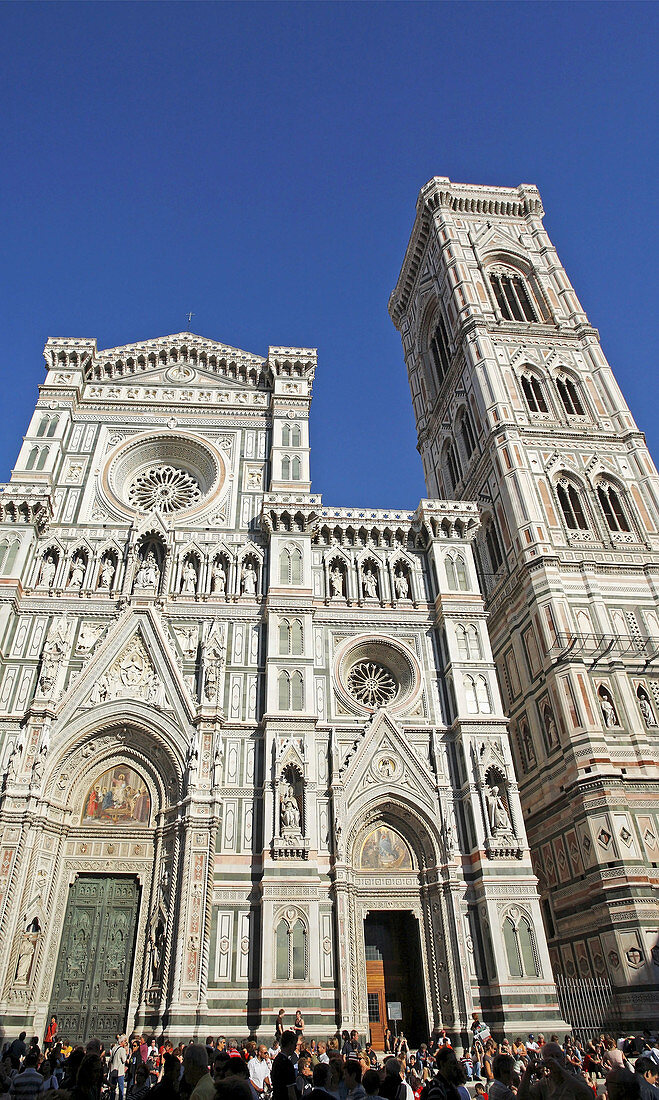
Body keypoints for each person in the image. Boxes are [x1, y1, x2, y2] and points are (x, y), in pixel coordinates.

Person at [517, 1042, 594, 1100]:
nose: (554, 1060)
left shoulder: (576, 1078)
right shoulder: (544, 1084)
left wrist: (560, 1070)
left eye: (557, 1056)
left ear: (563, 1059)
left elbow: (588, 1095)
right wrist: (527, 1073)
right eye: (550, 1057)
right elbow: (522, 1098)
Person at [271, 1033, 298, 1100]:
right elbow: (291, 1092)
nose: (295, 1047)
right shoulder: (287, 1064)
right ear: (290, 1044)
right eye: (295, 1044)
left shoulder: (277, 1059)